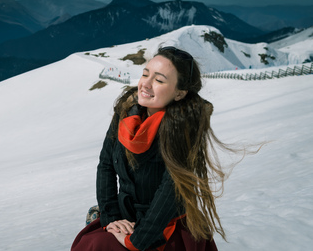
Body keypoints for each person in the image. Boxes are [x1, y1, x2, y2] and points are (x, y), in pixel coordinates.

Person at [71, 46, 231, 251]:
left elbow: (171, 191)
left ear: (179, 93)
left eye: (159, 80)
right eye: (145, 74)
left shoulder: (181, 129)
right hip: (125, 218)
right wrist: (111, 218)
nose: (145, 84)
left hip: (164, 226)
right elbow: (106, 164)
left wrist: (137, 240)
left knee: (96, 246)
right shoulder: (125, 113)